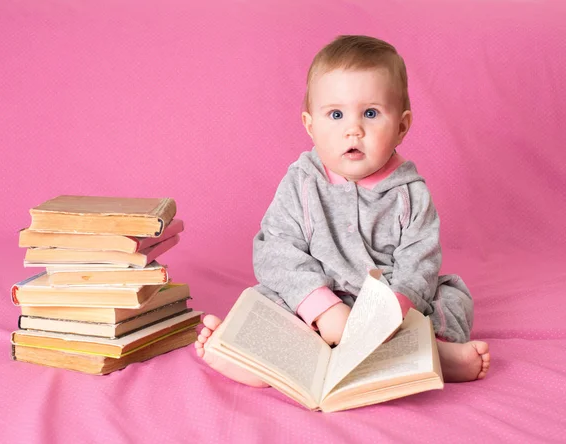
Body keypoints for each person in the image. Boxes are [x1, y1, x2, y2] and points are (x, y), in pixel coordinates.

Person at [196, 35, 490, 386]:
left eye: (371, 113)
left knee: (450, 295)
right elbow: (275, 249)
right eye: (335, 114)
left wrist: (391, 311)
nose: (353, 129)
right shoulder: (302, 183)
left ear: (401, 126)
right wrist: (323, 306)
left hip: (386, 309)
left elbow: (419, 260)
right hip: (319, 297)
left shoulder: (410, 192)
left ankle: (431, 353)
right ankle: (257, 356)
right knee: (267, 298)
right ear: (310, 125)